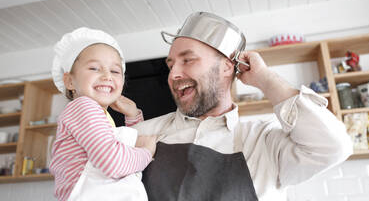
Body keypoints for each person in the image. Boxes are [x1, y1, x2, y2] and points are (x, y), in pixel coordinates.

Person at [133, 12, 353, 201]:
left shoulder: (264, 142)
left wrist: (266, 79)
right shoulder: (141, 135)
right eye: (170, 65)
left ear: (227, 67)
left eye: (188, 60)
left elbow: (333, 147)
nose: (173, 74)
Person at [50, 27, 156, 201]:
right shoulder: (83, 107)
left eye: (115, 71)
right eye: (94, 68)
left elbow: (123, 151)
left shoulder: (95, 115)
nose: (107, 75)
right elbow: (113, 162)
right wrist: (147, 152)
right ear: (69, 81)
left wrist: (132, 115)